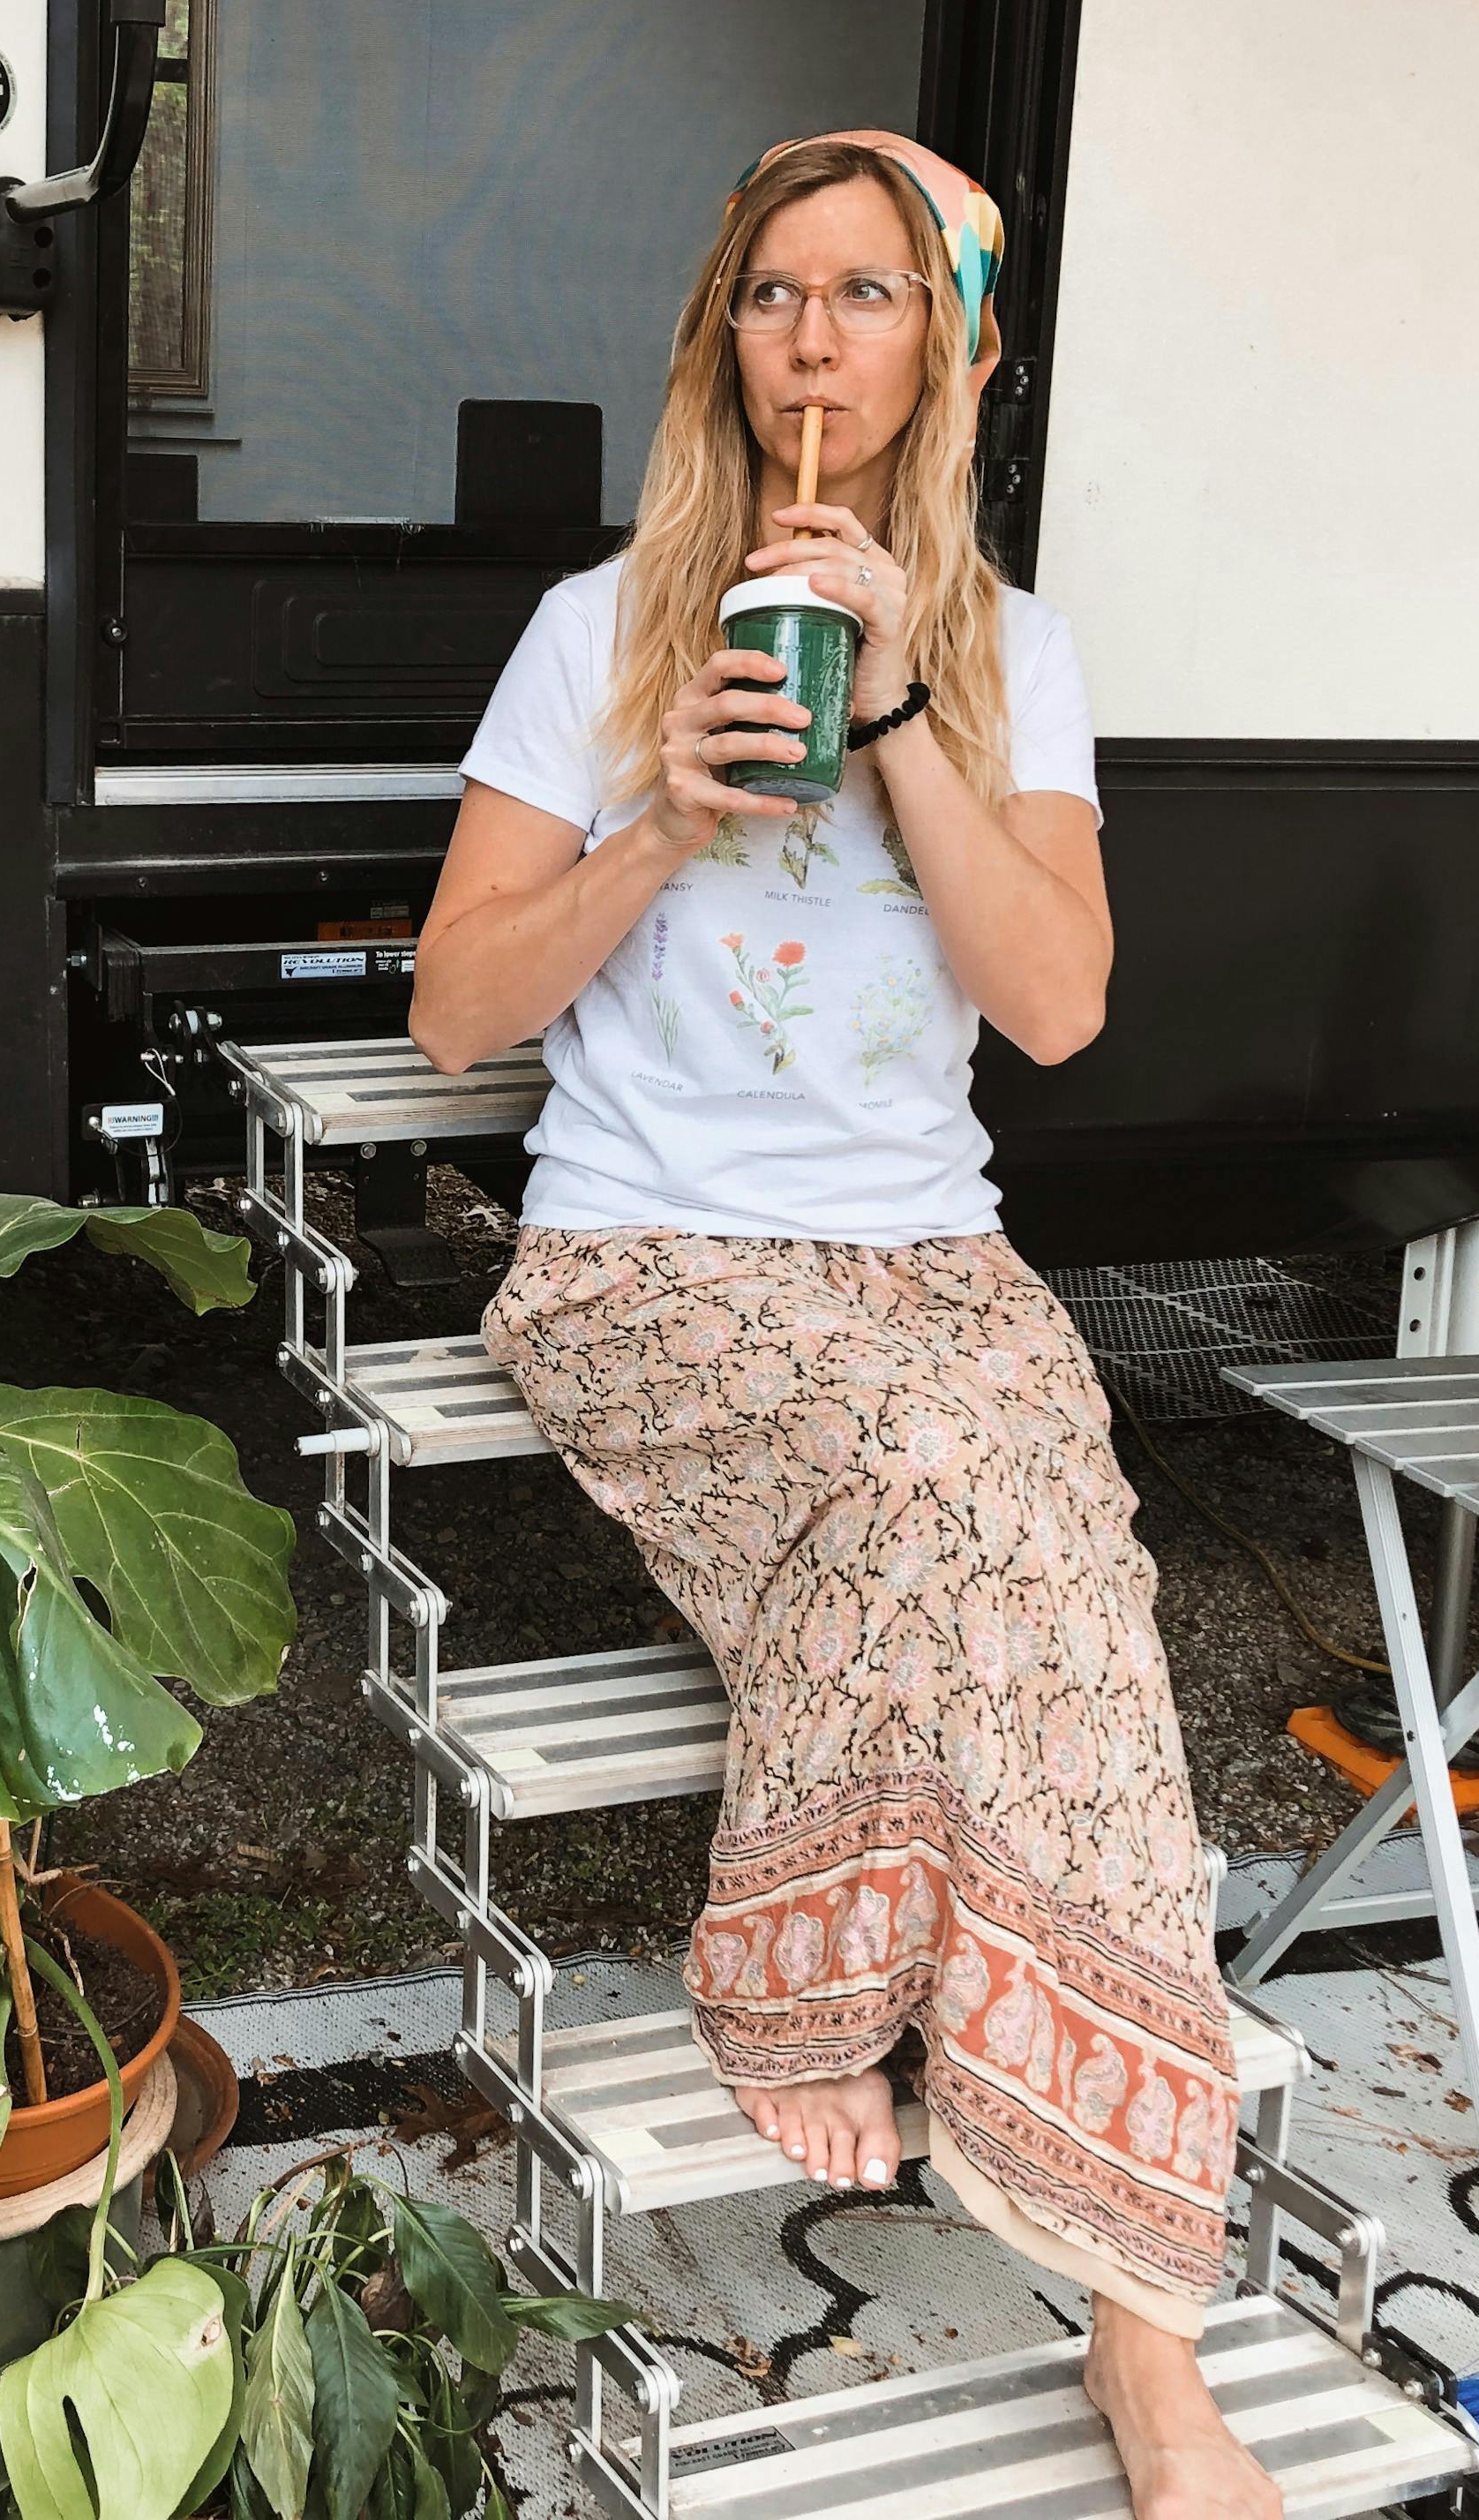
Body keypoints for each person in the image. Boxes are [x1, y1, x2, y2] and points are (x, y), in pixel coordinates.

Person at [410, 131, 1276, 2519]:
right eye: (778, 292)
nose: (816, 334)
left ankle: (1145, 2338)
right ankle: (801, 1981)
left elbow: (1064, 1007)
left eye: (871, 295)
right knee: (930, 1495)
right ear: (728, 335)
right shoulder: (603, 631)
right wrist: (659, 819)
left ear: (948, 352)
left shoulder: (1021, 659)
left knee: (1070, 1566)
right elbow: (461, 1000)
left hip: (924, 1256)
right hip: (648, 1261)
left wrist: (903, 708)